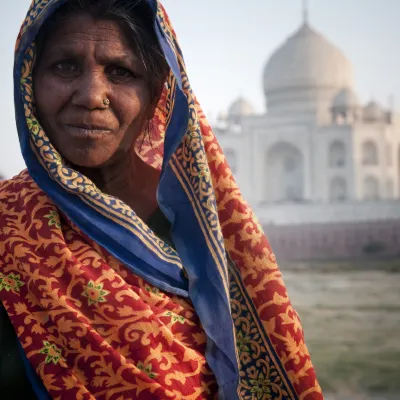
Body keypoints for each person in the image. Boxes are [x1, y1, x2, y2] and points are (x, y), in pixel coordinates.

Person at [0, 0, 323, 399]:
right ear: (29, 78)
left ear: (158, 93)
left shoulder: (211, 230)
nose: (91, 95)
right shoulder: (8, 223)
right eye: (65, 66)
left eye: (120, 72)